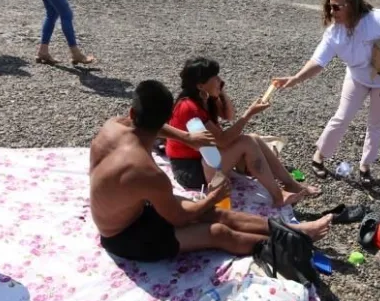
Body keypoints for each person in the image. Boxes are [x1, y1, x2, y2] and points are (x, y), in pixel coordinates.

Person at [89, 81, 332, 262]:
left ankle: (296, 230)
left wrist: (186, 137)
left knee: (219, 214)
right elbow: (179, 218)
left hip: (132, 208)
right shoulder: (146, 171)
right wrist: (212, 198)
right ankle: (295, 243)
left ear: (132, 113)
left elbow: (149, 125)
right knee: (218, 232)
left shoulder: (112, 126)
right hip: (123, 237)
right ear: (169, 116)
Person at [272, 0, 380, 185]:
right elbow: (318, 61)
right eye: (329, 7)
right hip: (357, 77)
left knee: (377, 125)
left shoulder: (378, 19)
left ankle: (365, 165)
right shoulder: (334, 32)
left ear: (352, 5)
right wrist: (295, 78)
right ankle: (320, 156)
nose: (332, 11)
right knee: (342, 117)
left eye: (337, 7)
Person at [165, 58, 320, 205]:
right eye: (215, 78)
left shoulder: (204, 98)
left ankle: (291, 184)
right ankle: (278, 196)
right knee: (246, 142)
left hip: (206, 157)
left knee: (253, 138)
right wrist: (249, 114)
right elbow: (223, 140)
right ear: (200, 85)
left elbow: (229, 116)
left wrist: (220, 92)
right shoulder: (188, 107)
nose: (220, 80)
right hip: (191, 170)